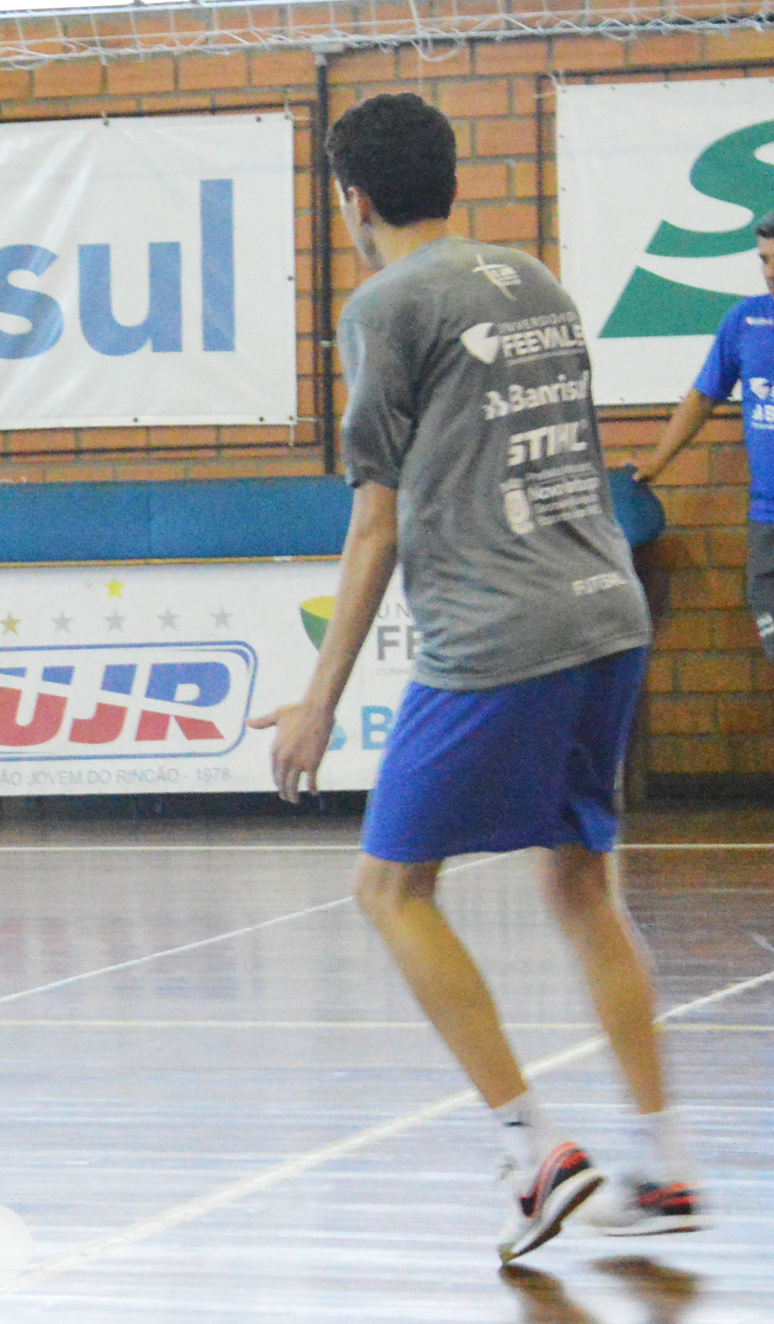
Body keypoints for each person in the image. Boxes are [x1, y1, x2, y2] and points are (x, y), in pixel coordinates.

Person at [252, 92, 704, 1263]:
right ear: (451, 178)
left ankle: (530, 1149)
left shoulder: (383, 306)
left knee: (390, 890)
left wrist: (317, 696)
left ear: (350, 201)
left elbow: (373, 527)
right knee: (578, 886)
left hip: (496, 634)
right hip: (606, 613)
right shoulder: (533, 283)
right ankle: (656, 1163)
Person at [632, 207, 774, 665]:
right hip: (767, 521)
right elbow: (701, 398)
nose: (770, 272)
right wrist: (658, 461)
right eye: (764, 260)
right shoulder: (745, 322)